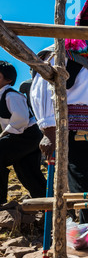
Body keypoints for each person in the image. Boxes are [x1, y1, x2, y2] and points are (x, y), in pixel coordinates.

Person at [30, 0, 88, 229]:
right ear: (82, 28)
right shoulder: (63, 53)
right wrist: (49, 130)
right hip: (78, 138)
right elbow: (41, 87)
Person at [0, 61, 46, 204]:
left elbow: (21, 118)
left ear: (8, 79)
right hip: (23, 137)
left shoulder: (11, 95)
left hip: (27, 136)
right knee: (27, 172)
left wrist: (4, 134)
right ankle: (46, 206)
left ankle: (0, 202)